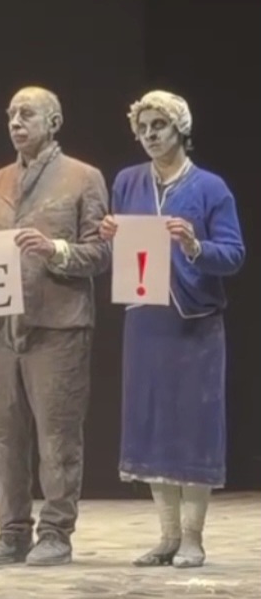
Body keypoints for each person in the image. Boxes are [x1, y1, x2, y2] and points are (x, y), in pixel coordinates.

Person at [0, 86, 110, 566]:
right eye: (10, 115)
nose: (15, 122)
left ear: (54, 122)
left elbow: (101, 253)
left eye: (26, 114)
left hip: (56, 322)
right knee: (1, 434)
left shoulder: (83, 177)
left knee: (57, 435)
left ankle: (56, 531)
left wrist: (54, 249)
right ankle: (12, 530)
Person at [99, 90, 245, 568]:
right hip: (145, 318)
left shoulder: (210, 188)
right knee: (151, 424)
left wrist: (195, 245)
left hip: (194, 323)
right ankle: (166, 536)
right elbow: (122, 252)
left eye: (159, 125)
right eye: (142, 128)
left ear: (180, 128)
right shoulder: (127, 182)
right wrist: (109, 238)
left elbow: (234, 254)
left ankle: (193, 537)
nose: (150, 135)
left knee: (193, 427)